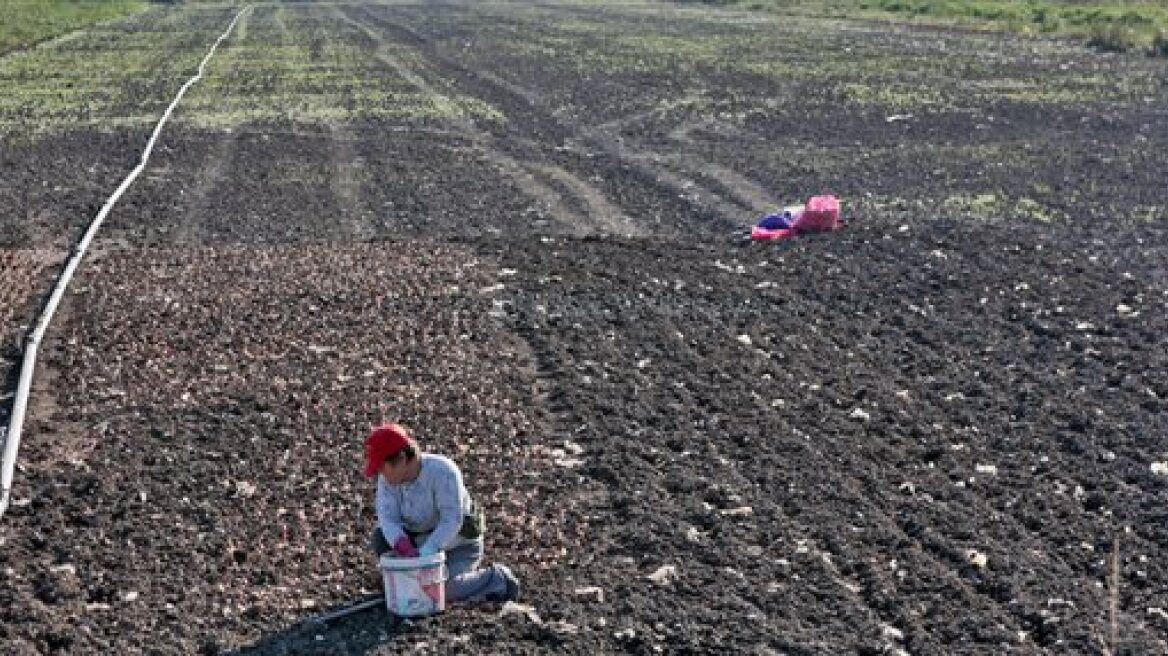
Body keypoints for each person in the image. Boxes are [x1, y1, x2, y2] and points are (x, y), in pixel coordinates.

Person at [364, 423, 520, 604]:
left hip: (458, 545)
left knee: (441, 591)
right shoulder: (388, 481)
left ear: (401, 458)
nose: (380, 474)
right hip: (417, 541)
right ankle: (406, 578)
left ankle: (497, 578)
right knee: (381, 537)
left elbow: (452, 520)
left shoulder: (443, 472)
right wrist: (403, 546)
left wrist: (428, 552)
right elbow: (388, 519)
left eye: (383, 467)